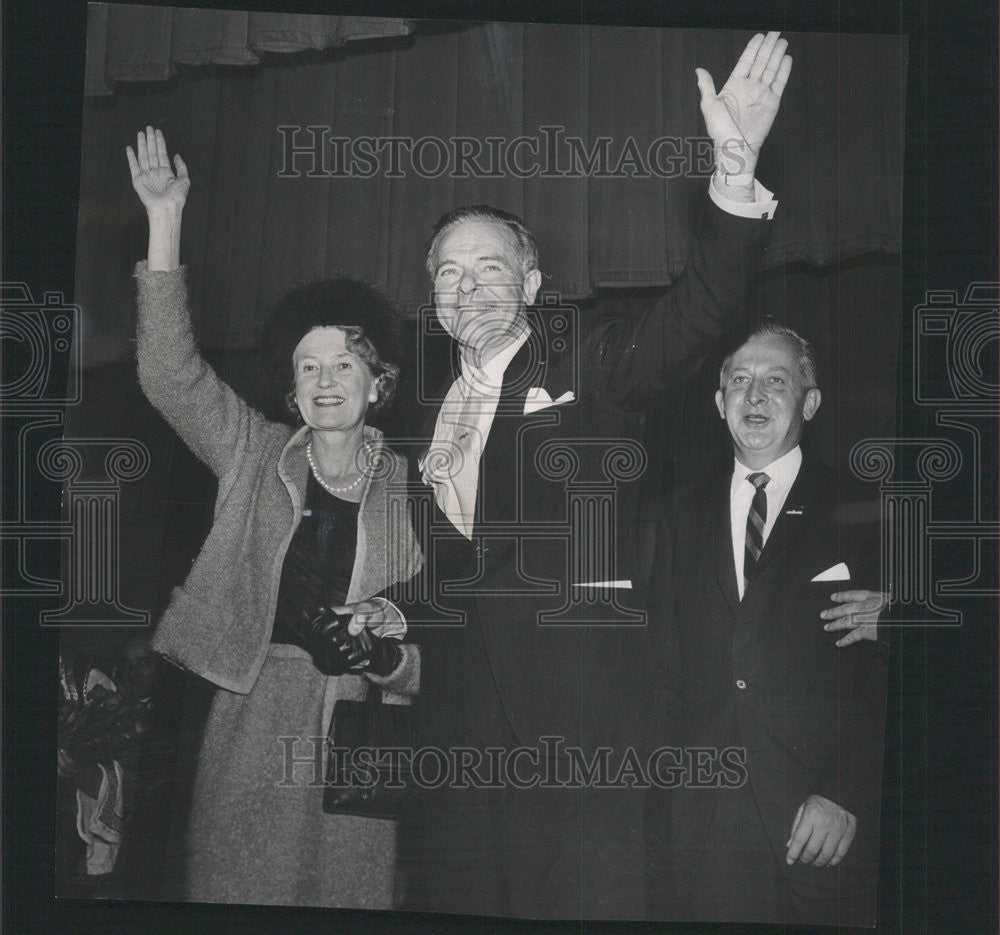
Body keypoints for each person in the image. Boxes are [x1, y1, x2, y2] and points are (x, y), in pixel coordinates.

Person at [321, 31, 851, 920]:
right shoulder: (422, 410)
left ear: (533, 282)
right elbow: (472, 566)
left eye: (491, 268)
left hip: (584, 744)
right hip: (459, 745)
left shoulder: (592, 364)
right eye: (448, 274)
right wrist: (396, 604)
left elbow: (699, 313)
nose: (468, 288)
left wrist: (733, 169)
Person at [125, 127, 422, 908]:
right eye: (309, 365)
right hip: (253, 711)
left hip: (359, 728)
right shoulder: (254, 452)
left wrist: (387, 659)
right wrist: (164, 224)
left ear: (379, 381)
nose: (327, 381)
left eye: (345, 363)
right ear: (290, 389)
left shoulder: (417, 486)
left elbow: (443, 634)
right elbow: (168, 375)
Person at [647, 324, 888, 925]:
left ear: (809, 401)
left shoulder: (869, 506)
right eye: (739, 381)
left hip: (817, 818)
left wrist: (845, 791)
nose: (754, 397)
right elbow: (663, 668)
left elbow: (885, 674)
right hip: (704, 828)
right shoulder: (677, 511)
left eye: (775, 381)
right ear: (718, 401)